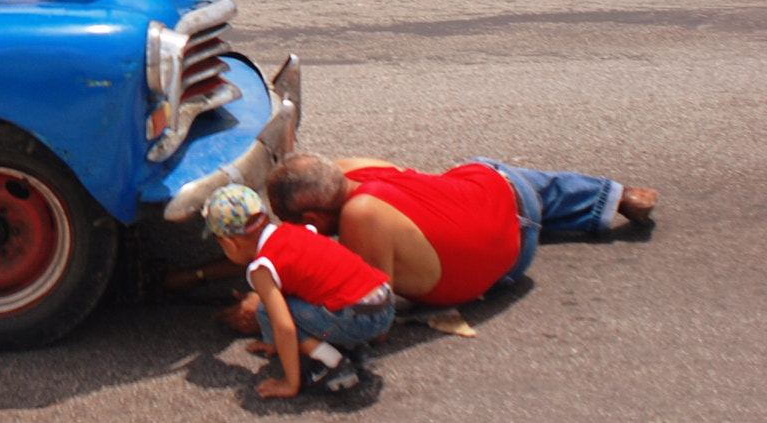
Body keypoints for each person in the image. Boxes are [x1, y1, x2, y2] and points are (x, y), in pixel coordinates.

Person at [267, 154, 656, 308]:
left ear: (313, 220)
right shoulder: (349, 167)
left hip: (508, 263)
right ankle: (613, 197)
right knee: (497, 177)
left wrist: (276, 302)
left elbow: (371, 316)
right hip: (506, 191)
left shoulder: (359, 217)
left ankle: (595, 203)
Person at [205, 184, 393, 397]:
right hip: (383, 302)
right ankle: (349, 343)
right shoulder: (293, 231)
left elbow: (284, 326)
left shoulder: (262, 268)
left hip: (359, 319)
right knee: (290, 301)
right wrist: (277, 343)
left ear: (230, 242)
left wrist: (289, 383)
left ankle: (334, 361)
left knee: (269, 310)